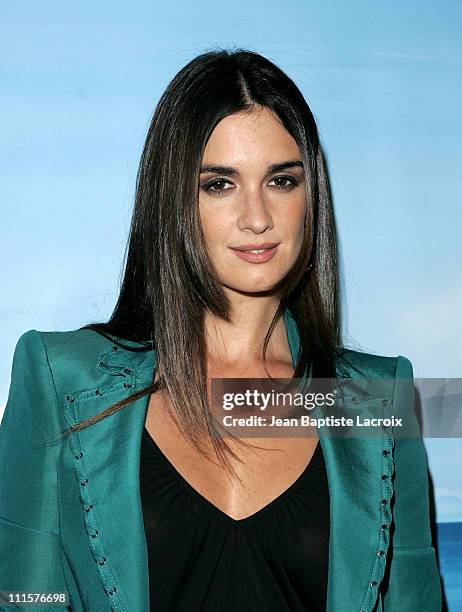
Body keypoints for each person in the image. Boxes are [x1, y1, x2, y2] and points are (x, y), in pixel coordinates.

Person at [0, 49, 442, 612]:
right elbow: (21, 596)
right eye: (219, 184)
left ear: (312, 196)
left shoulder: (376, 397)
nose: (257, 216)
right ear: (173, 198)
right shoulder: (61, 378)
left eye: (282, 180)